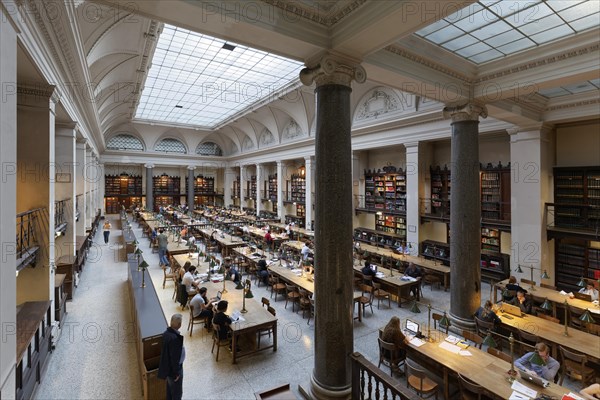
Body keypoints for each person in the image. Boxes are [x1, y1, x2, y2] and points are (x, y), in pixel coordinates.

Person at [158, 314, 185, 400]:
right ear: (179, 325)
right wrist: (176, 373)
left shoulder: (166, 333)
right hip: (174, 371)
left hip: (168, 369)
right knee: (177, 393)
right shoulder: (175, 339)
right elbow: (174, 359)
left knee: (170, 390)